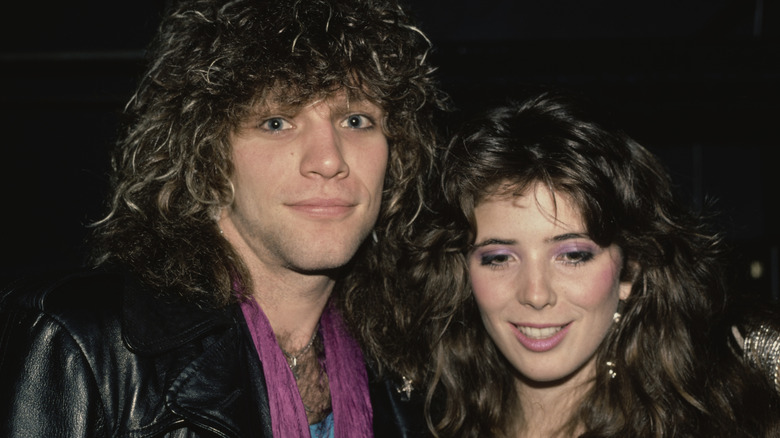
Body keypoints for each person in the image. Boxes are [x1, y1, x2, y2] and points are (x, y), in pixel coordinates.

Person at [0, 0, 447, 436]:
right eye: (277, 121)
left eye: (355, 120)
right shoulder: (80, 346)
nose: (329, 160)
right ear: (205, 154)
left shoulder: (412, 364)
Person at [412, 91, 780, 437]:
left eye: (572, 255)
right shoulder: (413, 417)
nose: (536, 294)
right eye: (499, 258)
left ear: (630, 270)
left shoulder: (722, 416)